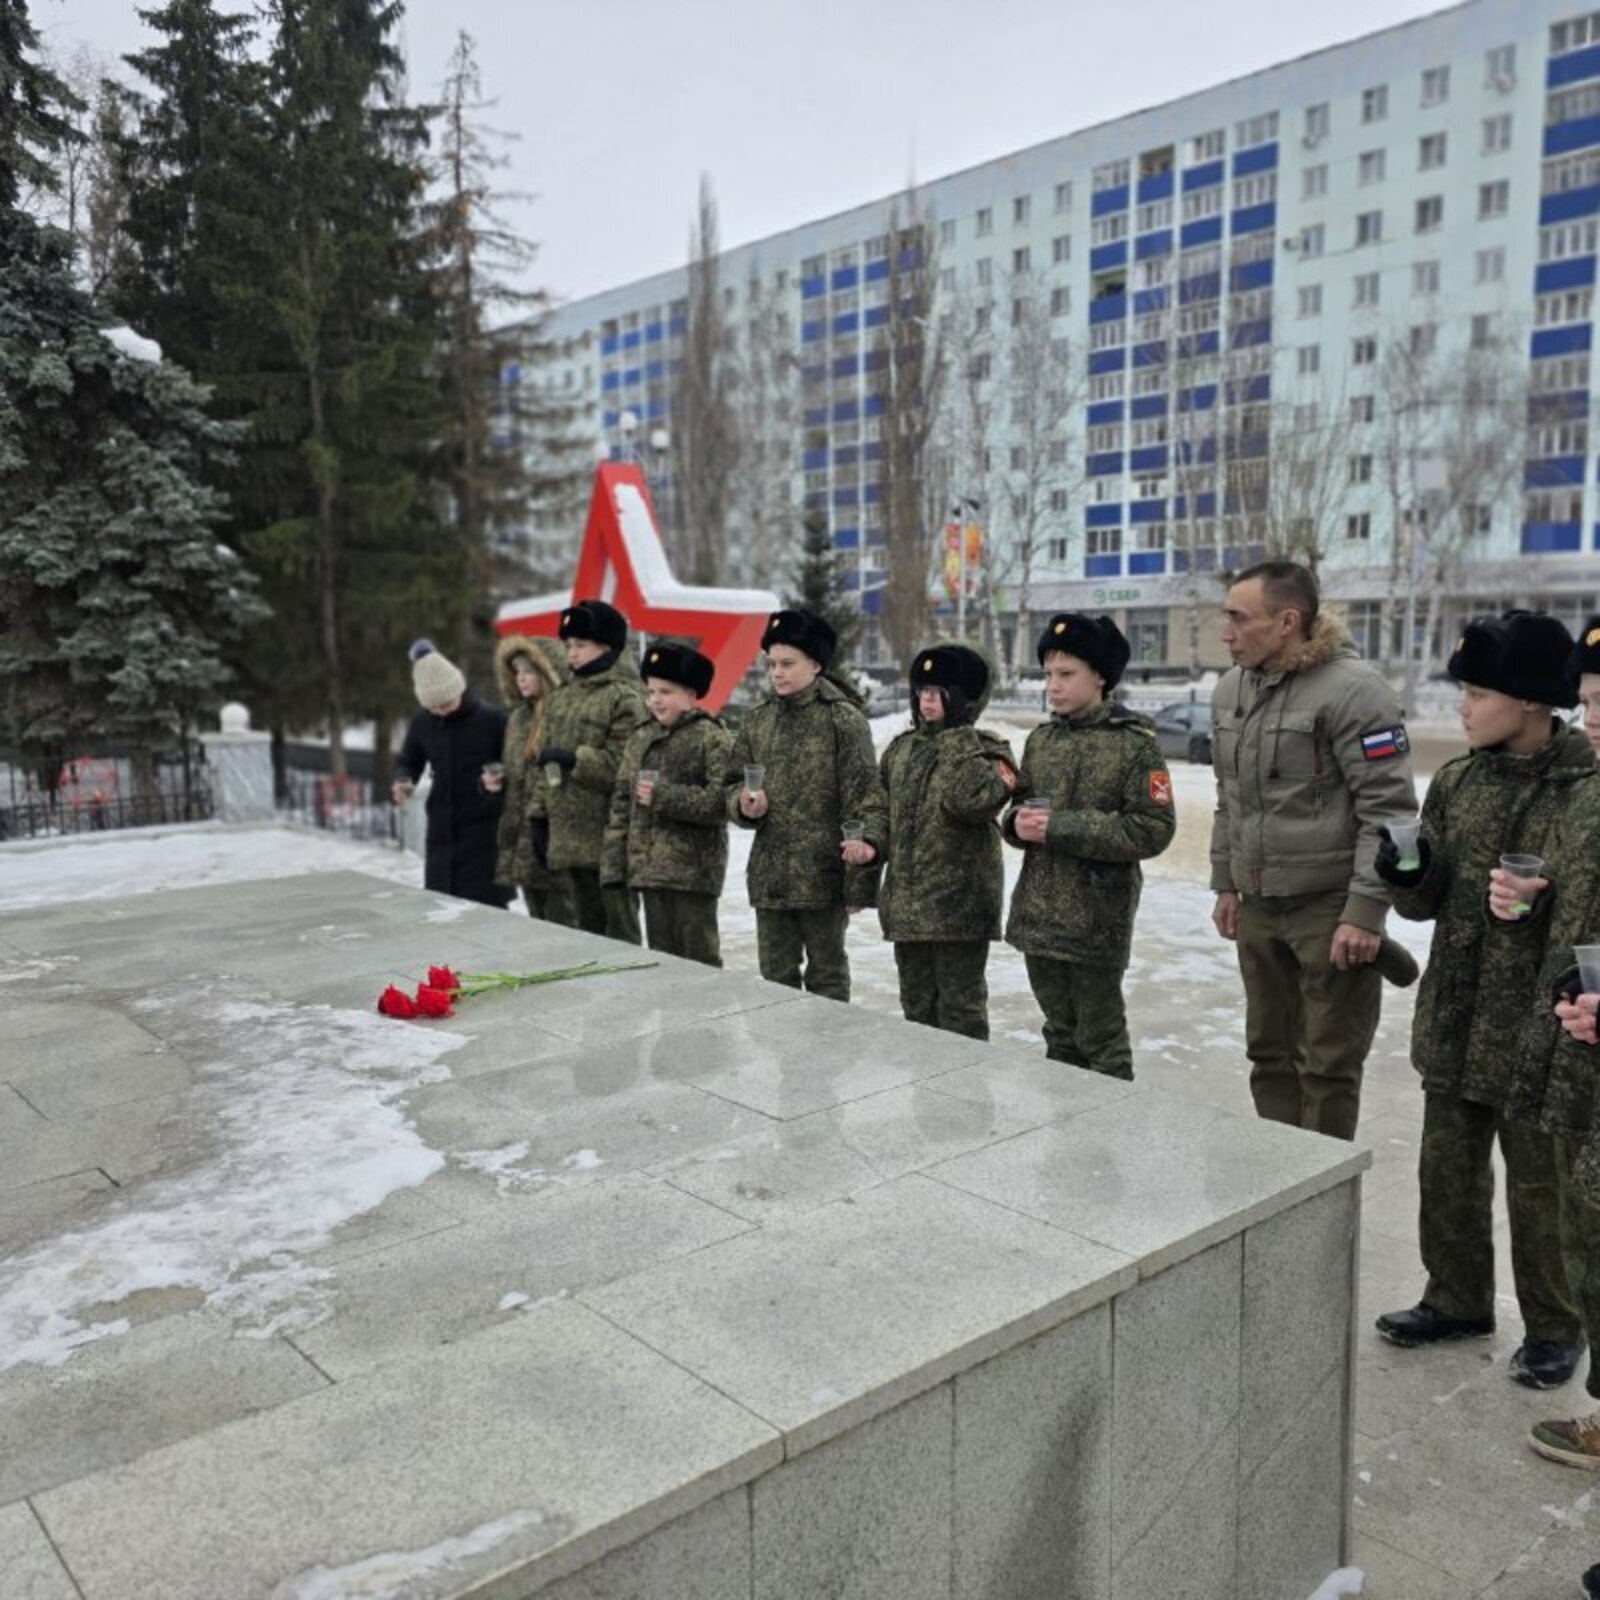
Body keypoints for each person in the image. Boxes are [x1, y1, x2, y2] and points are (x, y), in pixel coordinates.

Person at [1372, 613, 1589, 1389]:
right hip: (1457, 1018)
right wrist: (1408, 872)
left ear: (1530, 699)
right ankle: (1456, 1298)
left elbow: (1585, 914)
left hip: (1537, 1031)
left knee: (1541, 1188)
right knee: (1447, 1170)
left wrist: (1539, 900)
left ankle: (1556, 1327)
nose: (1463, 707)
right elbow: (1426, 902)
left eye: (1478, 692)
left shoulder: (1583, 790)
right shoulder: (1459, 780)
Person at [1209, 560, 1417, 1140]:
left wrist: (1365, 912)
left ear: (1287, 622)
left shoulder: (1356, 692)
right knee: (1268, 1054)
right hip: (1258, 907)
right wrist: (1225, 882)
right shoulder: (1231, 690)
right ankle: (1282, 1175)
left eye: (1239, 618)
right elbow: (1229, 800)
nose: (1226, 632)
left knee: (1326, 1066)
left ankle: (1322, 1187)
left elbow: (1390, 813)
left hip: (1329, 911)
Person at [1501, 614, 1600, 1469]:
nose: (1594, 719)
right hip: (1579, 1049)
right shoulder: (1590, 796)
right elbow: (1570, 905)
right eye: (1591, 701)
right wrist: (1526, 905)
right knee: (1586, 1231)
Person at [1001, 613, 1175, 1078]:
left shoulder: (1134, 745)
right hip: (1040, 915)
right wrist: (1016, 823)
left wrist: (1060, 827)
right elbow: (1017, 808)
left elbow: (1153, 828)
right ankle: (1067, 1121)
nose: (1052, 686)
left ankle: (1111, 1122)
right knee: (1059, 1036)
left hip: (1096, 921)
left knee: (1101, 1042)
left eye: (1066, 674)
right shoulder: (1041, 741)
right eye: (1047, 675)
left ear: (1100, 676)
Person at [854, 644, 1016, 1039]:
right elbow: (877, 809)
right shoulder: (901, 750)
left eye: (938, 693)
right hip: (908, 911)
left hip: (960, 915)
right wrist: (870, 845)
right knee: (917, 1012)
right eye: (921, 691)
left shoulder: (991, 752)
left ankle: (965, 1082)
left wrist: (958, 733)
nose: (926, 701)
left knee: (961, 1016)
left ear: (962, 699)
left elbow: (971, 801)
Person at [726, 608, 876, 1001]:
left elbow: (865, 801)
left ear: (816, 664)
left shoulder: (843, 721)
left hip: (824, 878)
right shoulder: (757, 721)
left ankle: (825, 1041)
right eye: (771, 663)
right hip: (770, 878)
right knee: (775, 980)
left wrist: (857, 882)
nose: (777, 673)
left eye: (787, 664)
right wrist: (743, 805)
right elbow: (730, 783)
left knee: (827, 980)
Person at [601, 640, 732, 967]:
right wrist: (615, 866)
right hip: (648, 874)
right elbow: (621, 805)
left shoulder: (710, 737)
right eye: (651, 692)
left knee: (700, 962)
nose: (655, 700)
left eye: (666, 692)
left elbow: (721, 803)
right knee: (663, 962)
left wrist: (664, 796)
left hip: (692, 876)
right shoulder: (640, 737)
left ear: (690, 694)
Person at [526, 599, 648, 941]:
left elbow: (624, 768)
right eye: (568, 645)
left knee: (620, 938)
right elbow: (545, 763)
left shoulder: (625, 697)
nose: (572, 653)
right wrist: (538, 815)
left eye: (581, 644)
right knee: (585, 938)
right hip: (568, 839)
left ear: (607, 646)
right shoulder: (562, 697)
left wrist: (574, 760)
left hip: (610, 842)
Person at [393, 639, 511, 908]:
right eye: (433, 707)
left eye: (445, 704)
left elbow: (514, 765)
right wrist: (403, 779)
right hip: (441, 829)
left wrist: (499, 779)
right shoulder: (423, 722)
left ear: (458, 689)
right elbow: (409, 759)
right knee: (441, 906)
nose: (440, 711)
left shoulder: (493, 719)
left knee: (487, 911)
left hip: (484, 829)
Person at [487, 633, 573, 923]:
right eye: (517, 671)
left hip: (553, 840)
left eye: (529, 670)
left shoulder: (565, 716)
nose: (521, 678)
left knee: (564, 925)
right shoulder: (517, 718)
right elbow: (516, 772)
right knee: (537, 923)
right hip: (520, 842)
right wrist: (496, 783)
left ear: (547, 671)